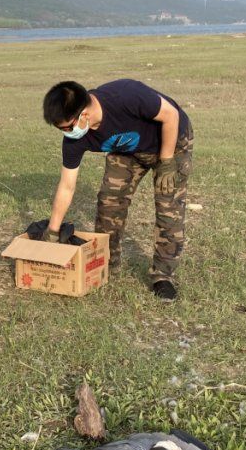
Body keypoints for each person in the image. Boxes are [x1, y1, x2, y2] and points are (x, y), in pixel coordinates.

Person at [37, 79, 193, 301]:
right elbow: (67, 185)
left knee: (169, 208)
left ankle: (163, 277)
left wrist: (167, 161)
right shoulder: (74, 140)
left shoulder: (126, 96)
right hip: (127, 149)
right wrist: (52, 231)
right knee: (110, 201)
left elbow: (170, 115)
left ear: (84, 115)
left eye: (66, 127)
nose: (65, 133)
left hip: (170, 141)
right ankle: (106, 261)